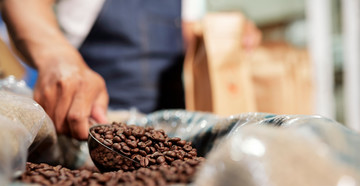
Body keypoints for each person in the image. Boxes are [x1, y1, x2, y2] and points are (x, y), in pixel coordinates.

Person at [1, 0, 261, 140]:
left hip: (167, 125)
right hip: (91, 121)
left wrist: (224, 36)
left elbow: (186, 32)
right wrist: (55, 55)